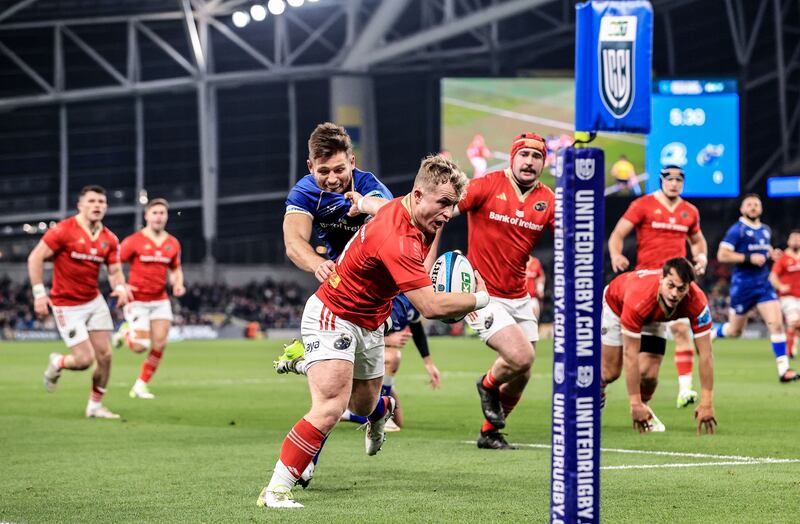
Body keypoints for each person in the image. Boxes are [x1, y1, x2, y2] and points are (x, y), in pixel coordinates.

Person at [256, 155, 488, 509]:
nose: (447, 213)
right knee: (330, 408)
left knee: (362, 404)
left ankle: (377, 406)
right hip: (333, 314)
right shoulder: (398, 238)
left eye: (453, 206)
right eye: (443, 203)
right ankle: (275, 489)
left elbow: (379, 204)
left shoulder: (405, 207)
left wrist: (360, 202)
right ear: (418, 195)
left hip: (371, 321)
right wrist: (480, 298)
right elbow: (430, 307)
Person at [458, 132, 554, 450]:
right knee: (520, 355)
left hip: (519, 295)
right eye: (523, 155)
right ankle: (486, 385)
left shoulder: (548, 199)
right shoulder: (486, 185)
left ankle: (489, 433)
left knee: (523, 372)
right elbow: (443, 211)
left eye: (536, 156)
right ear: (512, 157)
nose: (529, 161)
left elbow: (571, 238)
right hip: (482, 293)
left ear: (544, 162)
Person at [28, 185, 134, 419]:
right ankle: (58, 362)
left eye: (101, 202)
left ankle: (95, 406)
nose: (97, 205)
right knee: (85, 360)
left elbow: (115, 271)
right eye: (92, 201)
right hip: (66, 304)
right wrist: (39, 294)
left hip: (93, 301)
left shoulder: (109, 239)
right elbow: (35, 257)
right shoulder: (64, 230)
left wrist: (120, 288)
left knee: (105, 356)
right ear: (80, 205)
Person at [608, 165, 708, 410]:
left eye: (678, 180)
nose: (674, 184)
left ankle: (685, 389)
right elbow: (618, 233)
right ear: (661, 180)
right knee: (620, 365)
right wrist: (616, 255)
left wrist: (702, 257)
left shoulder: (689, 211)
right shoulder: (643, 204)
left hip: (676, 284)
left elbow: (698, 241)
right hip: (647, 285)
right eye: (670, 179)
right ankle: (607, 385)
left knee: (682, 332)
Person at [600, 258, 717, 434]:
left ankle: (645, 409)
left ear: (689, 287)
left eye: (681, 289)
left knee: (649, 375)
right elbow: (630, 355)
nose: (674, 294)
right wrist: (634, 402)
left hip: (656, 314)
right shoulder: (638, 299)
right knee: (610, 373)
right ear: (661, 279)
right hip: (618, 304)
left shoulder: (698, 302)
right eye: (670, 285)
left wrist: (707, 402)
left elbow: (706, 354)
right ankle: (595, 396)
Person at [716, 194, 799, 382]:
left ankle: (783, 370)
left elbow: (763, 248)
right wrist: (748, 258)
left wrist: (772, 253)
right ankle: (714, 332)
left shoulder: (765, 230)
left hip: (763, 285)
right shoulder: (736, 230)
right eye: (749, 205)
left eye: (756, 205)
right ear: (742, 209)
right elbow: (722, 255)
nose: (753, 207)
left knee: (776, 324)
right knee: (735, 332)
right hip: (742, 286)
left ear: (761, 209)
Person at [112, 198, 185, 399]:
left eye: (162, 213)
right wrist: (121, 285)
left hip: (160, 300)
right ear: (146, 216)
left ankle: (140, 385)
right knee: (139, 347)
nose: (159, 216)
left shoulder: (172, 243)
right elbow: (114, 263)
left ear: (167, 216)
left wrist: (178, 283)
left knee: (160, 344)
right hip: (137, 300)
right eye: (155, 213)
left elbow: (175, 269)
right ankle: (125, 332)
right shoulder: (133, 241)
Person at [770, 229, 800, 358]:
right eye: (793, 239)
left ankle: (791, 346)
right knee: (794, 322)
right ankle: (789, 352)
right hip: (788, 298)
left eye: (798, 239)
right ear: (788, 241)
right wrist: (780, 286)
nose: (796, 241)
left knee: (796, 325)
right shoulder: (783, 258)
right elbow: (772, 276)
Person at [525, 255, 546, 320]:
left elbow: (541, 276)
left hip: (532, 297)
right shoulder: (515, 261)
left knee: (534, 320)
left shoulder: (535, 262)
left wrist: (540, 287)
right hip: (518, 299)